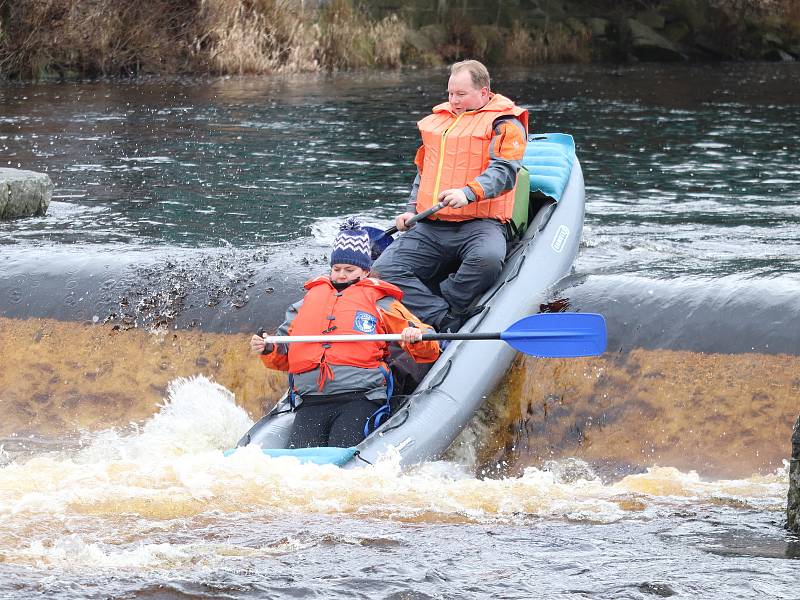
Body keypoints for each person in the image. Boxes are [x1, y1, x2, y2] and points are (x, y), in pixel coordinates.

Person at [250, 217, 440, 449]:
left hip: (360, 398)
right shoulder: (304, 305)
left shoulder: (381, 302)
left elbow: (428, 348)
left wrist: (416, 336)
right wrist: (268, 348)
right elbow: (283, 357)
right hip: (312, 401)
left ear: (365, 271)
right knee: (300, 462)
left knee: (343, 449)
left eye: (349, 270)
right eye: (336, 269)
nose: (341, 275)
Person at [373, 59, 528, 332]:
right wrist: (411, 209)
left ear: (483, 92)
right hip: (432, 224)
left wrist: (469, 193)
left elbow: (505, 171)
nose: (453, 101)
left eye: (461, 94)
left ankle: (451, 300)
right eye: (450, 94)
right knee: (384, 271)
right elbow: (424, 173)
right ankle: (444, 318)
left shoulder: (506, 123)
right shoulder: (438, 123)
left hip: (481, 223)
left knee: (488, 260)